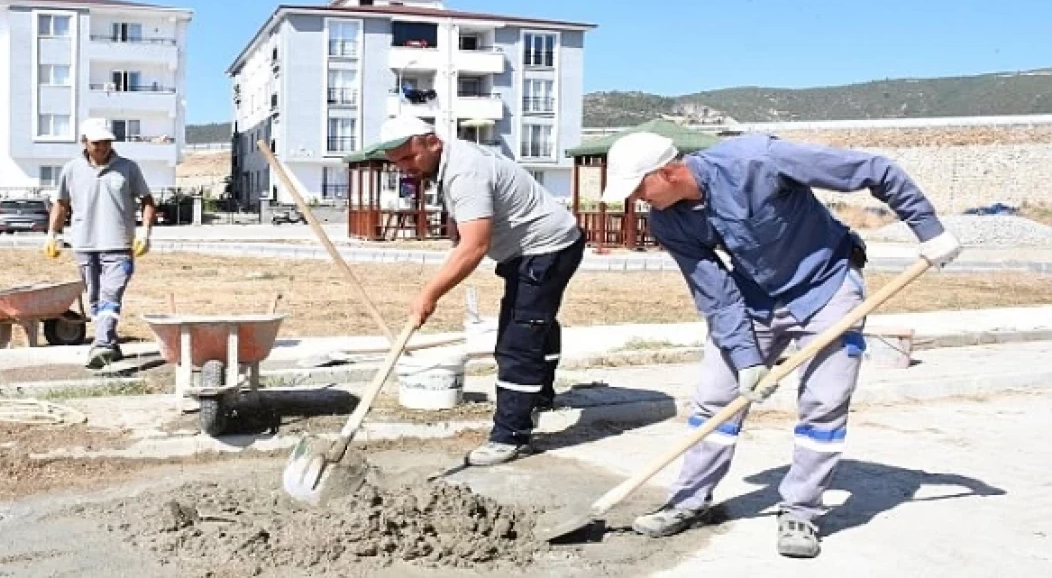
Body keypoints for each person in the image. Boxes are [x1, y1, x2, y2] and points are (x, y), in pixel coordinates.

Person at [599, 131, 962, 558]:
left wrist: (928, 228)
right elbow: (714, 291)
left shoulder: (756, 160)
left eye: (641, 187)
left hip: (826, 286)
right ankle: (688, 500)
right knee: (715, 399)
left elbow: (873, 170)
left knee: (824, 403)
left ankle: (801, 511)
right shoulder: (667, 220)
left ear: (669, 170)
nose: (639, 199)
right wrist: (747, 357)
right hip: (753, 299)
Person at [371, 114, 587, 466]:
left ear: (432, 142)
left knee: (518, 340)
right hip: (536, 247)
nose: (406, 169)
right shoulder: (452, 161)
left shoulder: (464, 170)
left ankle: (510, 435)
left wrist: (429, 295)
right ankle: (540, 396)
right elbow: (466, 228)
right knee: (537, 323)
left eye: (410, 159)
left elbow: (474, 246)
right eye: (398, 164)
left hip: (547, 247)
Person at [46, 118, 157, 369]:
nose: (103, 147)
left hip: (119, 245)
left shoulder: (128, 168)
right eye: (97, 143)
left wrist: (145, 231)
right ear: (84, 142)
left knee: (111, 293)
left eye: (107, 142)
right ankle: (109, 340)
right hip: (84, 244)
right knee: (95, 297)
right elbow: (61, 203)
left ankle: (103, 345)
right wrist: (53, 234)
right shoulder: (71, 169)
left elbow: (147, 200)